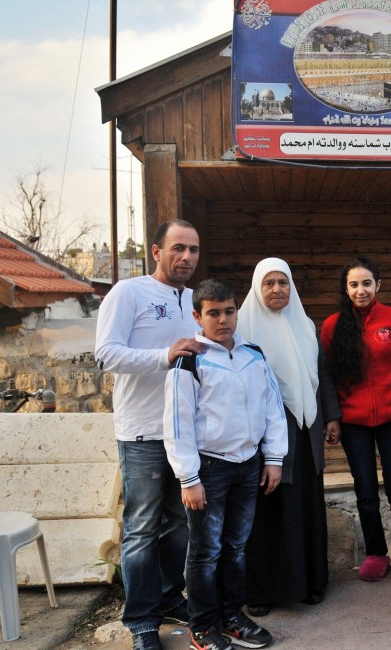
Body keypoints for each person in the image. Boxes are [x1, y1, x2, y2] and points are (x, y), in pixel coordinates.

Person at [95, 220, 205, 650]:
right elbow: (105, 354)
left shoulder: (195, 301)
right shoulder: (129, 293)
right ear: (156, 251)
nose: (187, 258)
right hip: (141, 431)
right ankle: (141, 622)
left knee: (180, 524)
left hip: (185, 432)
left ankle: (164, 596)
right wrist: (165, 355)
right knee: (142, 526)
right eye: (179, 248)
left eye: (194, 250)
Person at [163, 279, 287, 650]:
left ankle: (232, 617)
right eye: (213, 313)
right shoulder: (191, 360)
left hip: (248, 465)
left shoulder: (254, 355)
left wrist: (274, 458)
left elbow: (272, 409)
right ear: (197, 316)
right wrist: (189, 478)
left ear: (237, 311)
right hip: (209, 470)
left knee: (236, 548)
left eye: (229, 311)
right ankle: (201, 627)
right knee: (205, 551)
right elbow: (178, 422)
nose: (223, 320)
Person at [238, 258, 341, 613]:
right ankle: (262, 592)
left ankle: (310, 583)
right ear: (257, 288)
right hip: (267, 432)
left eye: (283, 282)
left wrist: (331, 417)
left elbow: (321, 375)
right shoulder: (244, 329)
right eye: (269, 283)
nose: (277, 289)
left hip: (307, 427)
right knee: (269, 511)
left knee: (306, 508)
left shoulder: (305, 325)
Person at [320, 258, 391, 582]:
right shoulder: (333, 326)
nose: (360, 290)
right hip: (354, 423)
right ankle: (376, 554)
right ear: (345, 288)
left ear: (378, 284)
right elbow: (329, 378)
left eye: (366, 283)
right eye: (353, 284)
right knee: (365, 491)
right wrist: (332, 418)